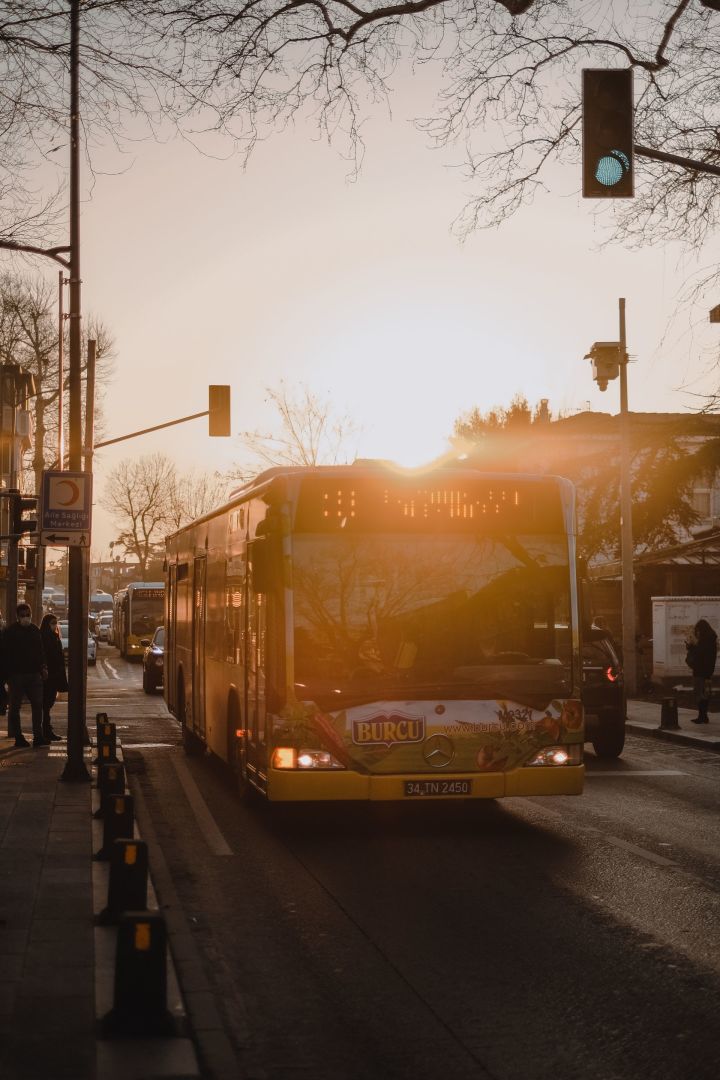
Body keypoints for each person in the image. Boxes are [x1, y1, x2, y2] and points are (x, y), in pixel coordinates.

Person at [1, 602, 48, 748]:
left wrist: (43, 668)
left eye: (28, 615)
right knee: (15, 707)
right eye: (23, 615)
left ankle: (38, 736)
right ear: (17, 616)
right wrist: (6, 676)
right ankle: (19, 737)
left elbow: (40, 651)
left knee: (37, 705)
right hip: (16, 675)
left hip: (34, 674)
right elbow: (4, 655)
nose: (26, 618)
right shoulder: (10, 632)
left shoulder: (35, 630)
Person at [39, 612, 67, 742]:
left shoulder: (55, 637)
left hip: (54, 675)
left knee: (48, 703)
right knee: (46, 704)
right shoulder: (44, 637)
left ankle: (46, 729)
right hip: (47, 676)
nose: (54, 625)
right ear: (46, 624)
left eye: (56, 623)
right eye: (52, 623)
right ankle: (46, 730)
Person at [685, 618, 717, 725]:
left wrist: (691, 647)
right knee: (702, 693)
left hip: (700, 670)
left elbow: (700, 655)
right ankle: (703, 716)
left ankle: (702, 716)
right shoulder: (710, 639)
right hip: (706, 671)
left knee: (699, 693)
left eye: (698, 630)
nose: (697, 633)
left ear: (702, 630)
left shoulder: (705, 641)